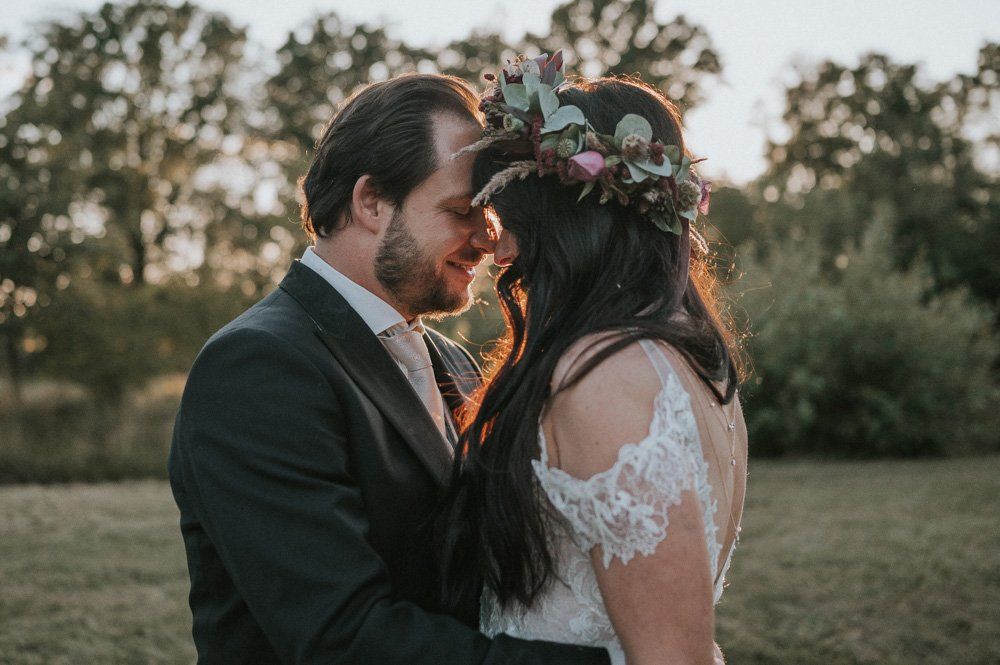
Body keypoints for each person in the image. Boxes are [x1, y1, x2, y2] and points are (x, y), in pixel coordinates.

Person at [168, 73, 609, 664]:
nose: (487, 238)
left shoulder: (451, 359)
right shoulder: (258, 366)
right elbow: (343, 636)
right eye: (460, 211)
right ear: (371, 201)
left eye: (489, 213)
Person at [437, 53, 748, 665]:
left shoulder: (603, 375)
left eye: (509, 221)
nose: (498, 251)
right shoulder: (682, 360)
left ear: (562, 225)